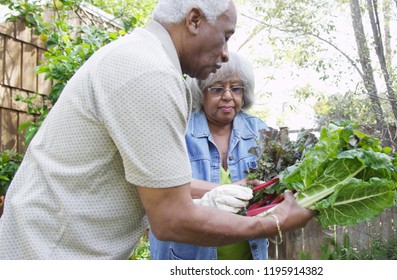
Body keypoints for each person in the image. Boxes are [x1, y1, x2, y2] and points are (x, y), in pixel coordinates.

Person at [0, 0, 315, 259]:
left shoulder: (140, 56)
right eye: (226, 36)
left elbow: (158, 180)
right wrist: (273, 222)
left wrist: (223, 190)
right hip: (49, 254)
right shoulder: (150, 73)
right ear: (194, 20)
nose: (225, 54)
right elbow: (171, 220)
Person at [149, 52, 269, 260]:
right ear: (201, 93)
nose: (228, 96)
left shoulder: (258, 131)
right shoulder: (179, 131)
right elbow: (160, 186)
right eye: (217, 88)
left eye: (236, 88)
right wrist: (227, 189)